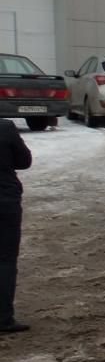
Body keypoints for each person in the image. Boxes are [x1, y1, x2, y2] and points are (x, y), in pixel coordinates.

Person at [0, 118, 32, 333]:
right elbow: (24, 161)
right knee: (4, 260)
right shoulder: (5, 128)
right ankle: (3, 319)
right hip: (4, 202)